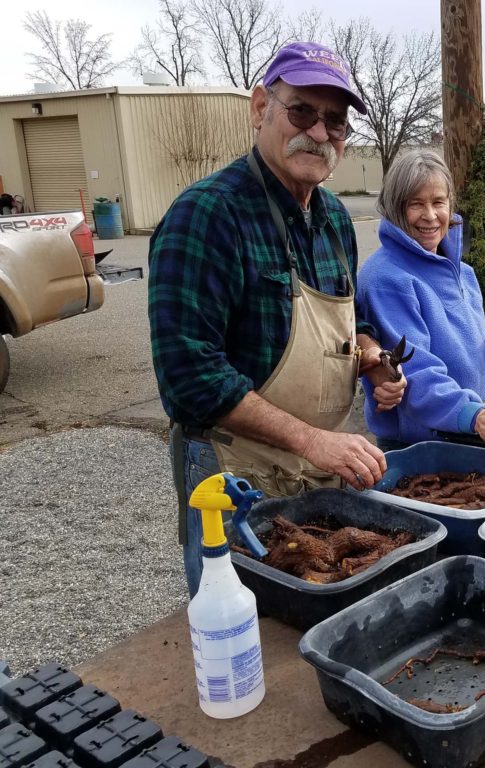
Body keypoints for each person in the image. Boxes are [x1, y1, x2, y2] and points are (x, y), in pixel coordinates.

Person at [148, 41, 405, 597]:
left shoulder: (334, 218)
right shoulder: (206, 214)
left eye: (334, 122)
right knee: (241, 624)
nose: (319, 133)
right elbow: (188, 375)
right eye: (302, 112)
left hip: (314, 466)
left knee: (311, 622)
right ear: (260, 106)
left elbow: (349, 323)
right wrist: (312, 440)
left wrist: (373, 360)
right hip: (230, 472)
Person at [356, 149, 485, 450]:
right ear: (395, 208)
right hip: (420, 446)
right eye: (416, 204)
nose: (430, 216)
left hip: (467, 429)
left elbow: (457, 349)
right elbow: (415, 373)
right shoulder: (386, 279)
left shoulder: (464, 273)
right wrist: (473, 415)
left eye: (438, 202)